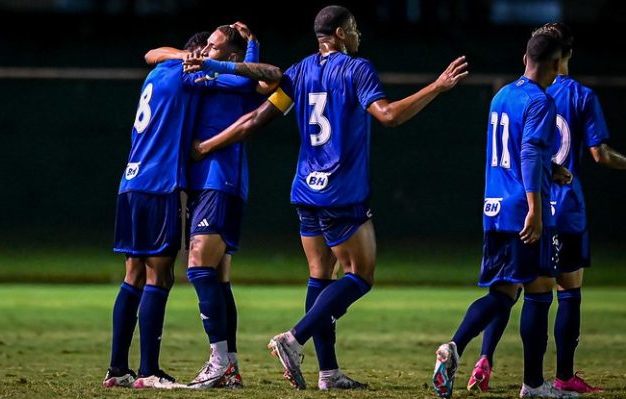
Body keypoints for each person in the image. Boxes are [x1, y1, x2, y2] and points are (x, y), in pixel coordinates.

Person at [188, 5, 467, 390]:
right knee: (360, 276)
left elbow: (255, 120)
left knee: (321, 276)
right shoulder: (356, 69)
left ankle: (329, 372)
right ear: (337, 33)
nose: (357, 35)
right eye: (353, 29)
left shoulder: (300, 71)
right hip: (341, 192)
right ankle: (294, 338)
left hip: (306, 190)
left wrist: (206, 147)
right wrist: (437, 87)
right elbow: (388, 116)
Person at [468, 22, 625, 394]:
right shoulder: (576, 96)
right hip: (556, 210)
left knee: (509, 288)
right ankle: (555, 378)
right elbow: (597, 154)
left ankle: (485, 356)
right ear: (563, 58)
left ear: (529, 56)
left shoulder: (510, 93)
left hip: (508, 206)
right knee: (561, 292)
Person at [431, 33, 578, 399]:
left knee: (502, 292)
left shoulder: (502, 95)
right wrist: (535, 208)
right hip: (521, 210)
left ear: (525, 56)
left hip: (494, 208)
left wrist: (552, 167)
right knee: (540, 292)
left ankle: (454, 348)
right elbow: (527, 153)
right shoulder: (540, 101)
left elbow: (515, 152)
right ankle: (533, 385)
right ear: (556, 64)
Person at [146, 22, 277, 389]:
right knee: (218, 277)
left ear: (232, 56)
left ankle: (218, 361)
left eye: (214, 47)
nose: (205, 52)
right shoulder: (204, 74)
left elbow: (257, 79)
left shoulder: (231, 77)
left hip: (221, 180)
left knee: (198, 267)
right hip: (204, 183)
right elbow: (152, 54)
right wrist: (191, 57)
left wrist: (251, 45)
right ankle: (230, 366)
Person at [101, 31, 208, 390]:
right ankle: (148, 372)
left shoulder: (160, 70)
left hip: (130, 182)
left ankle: (117, 370)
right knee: (159, 277)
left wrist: (182, 54)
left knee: (133, 274)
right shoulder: (193, 72)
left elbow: (150, 52)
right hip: (160, 183)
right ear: (201, 50)